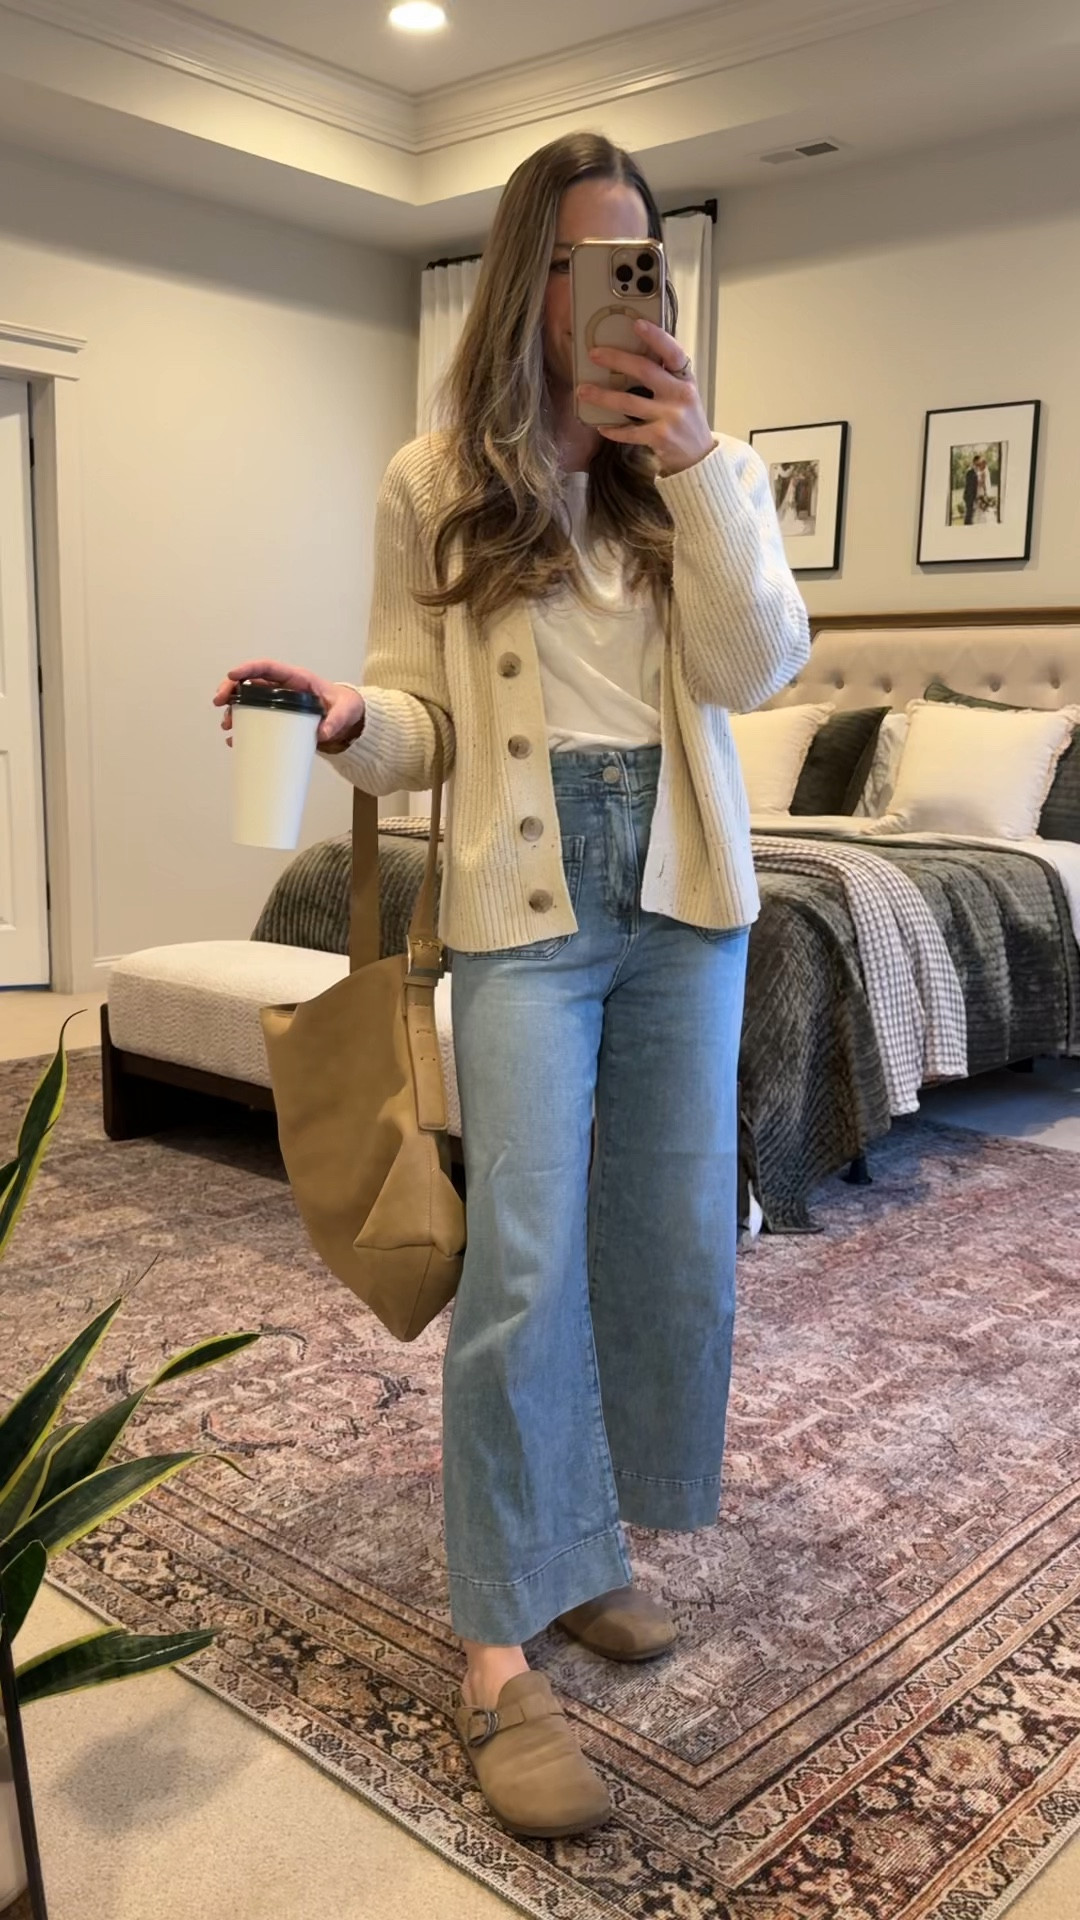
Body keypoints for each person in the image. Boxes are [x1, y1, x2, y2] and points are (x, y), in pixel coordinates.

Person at [214, 131, 809, 1841]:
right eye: (576, 262)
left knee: (668, 1242)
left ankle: (584, 1551)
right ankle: (496, 1652)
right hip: (526, 891)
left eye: (636, 265)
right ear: (520, 282)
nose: (609, 292)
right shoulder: (433, 481)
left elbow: (755, 667)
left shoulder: (710, 473)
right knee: (525, 1258)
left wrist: (689, 459)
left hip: (686, 889)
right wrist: (346, 722)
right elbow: (429, 720)